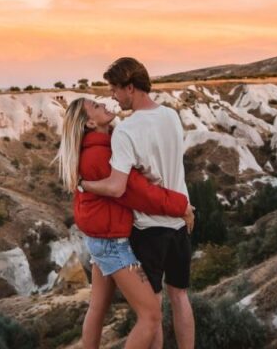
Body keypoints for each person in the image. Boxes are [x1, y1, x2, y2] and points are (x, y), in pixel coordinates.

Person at [57, 97, 195, 349]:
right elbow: (137, 191)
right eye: (96, 107)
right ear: (89, 122)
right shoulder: (99, 154)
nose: (103, 105)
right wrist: (181, 206)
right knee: (151, 315)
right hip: (113, 245)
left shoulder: (101, 143)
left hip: (101, 239)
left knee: (97, 308)